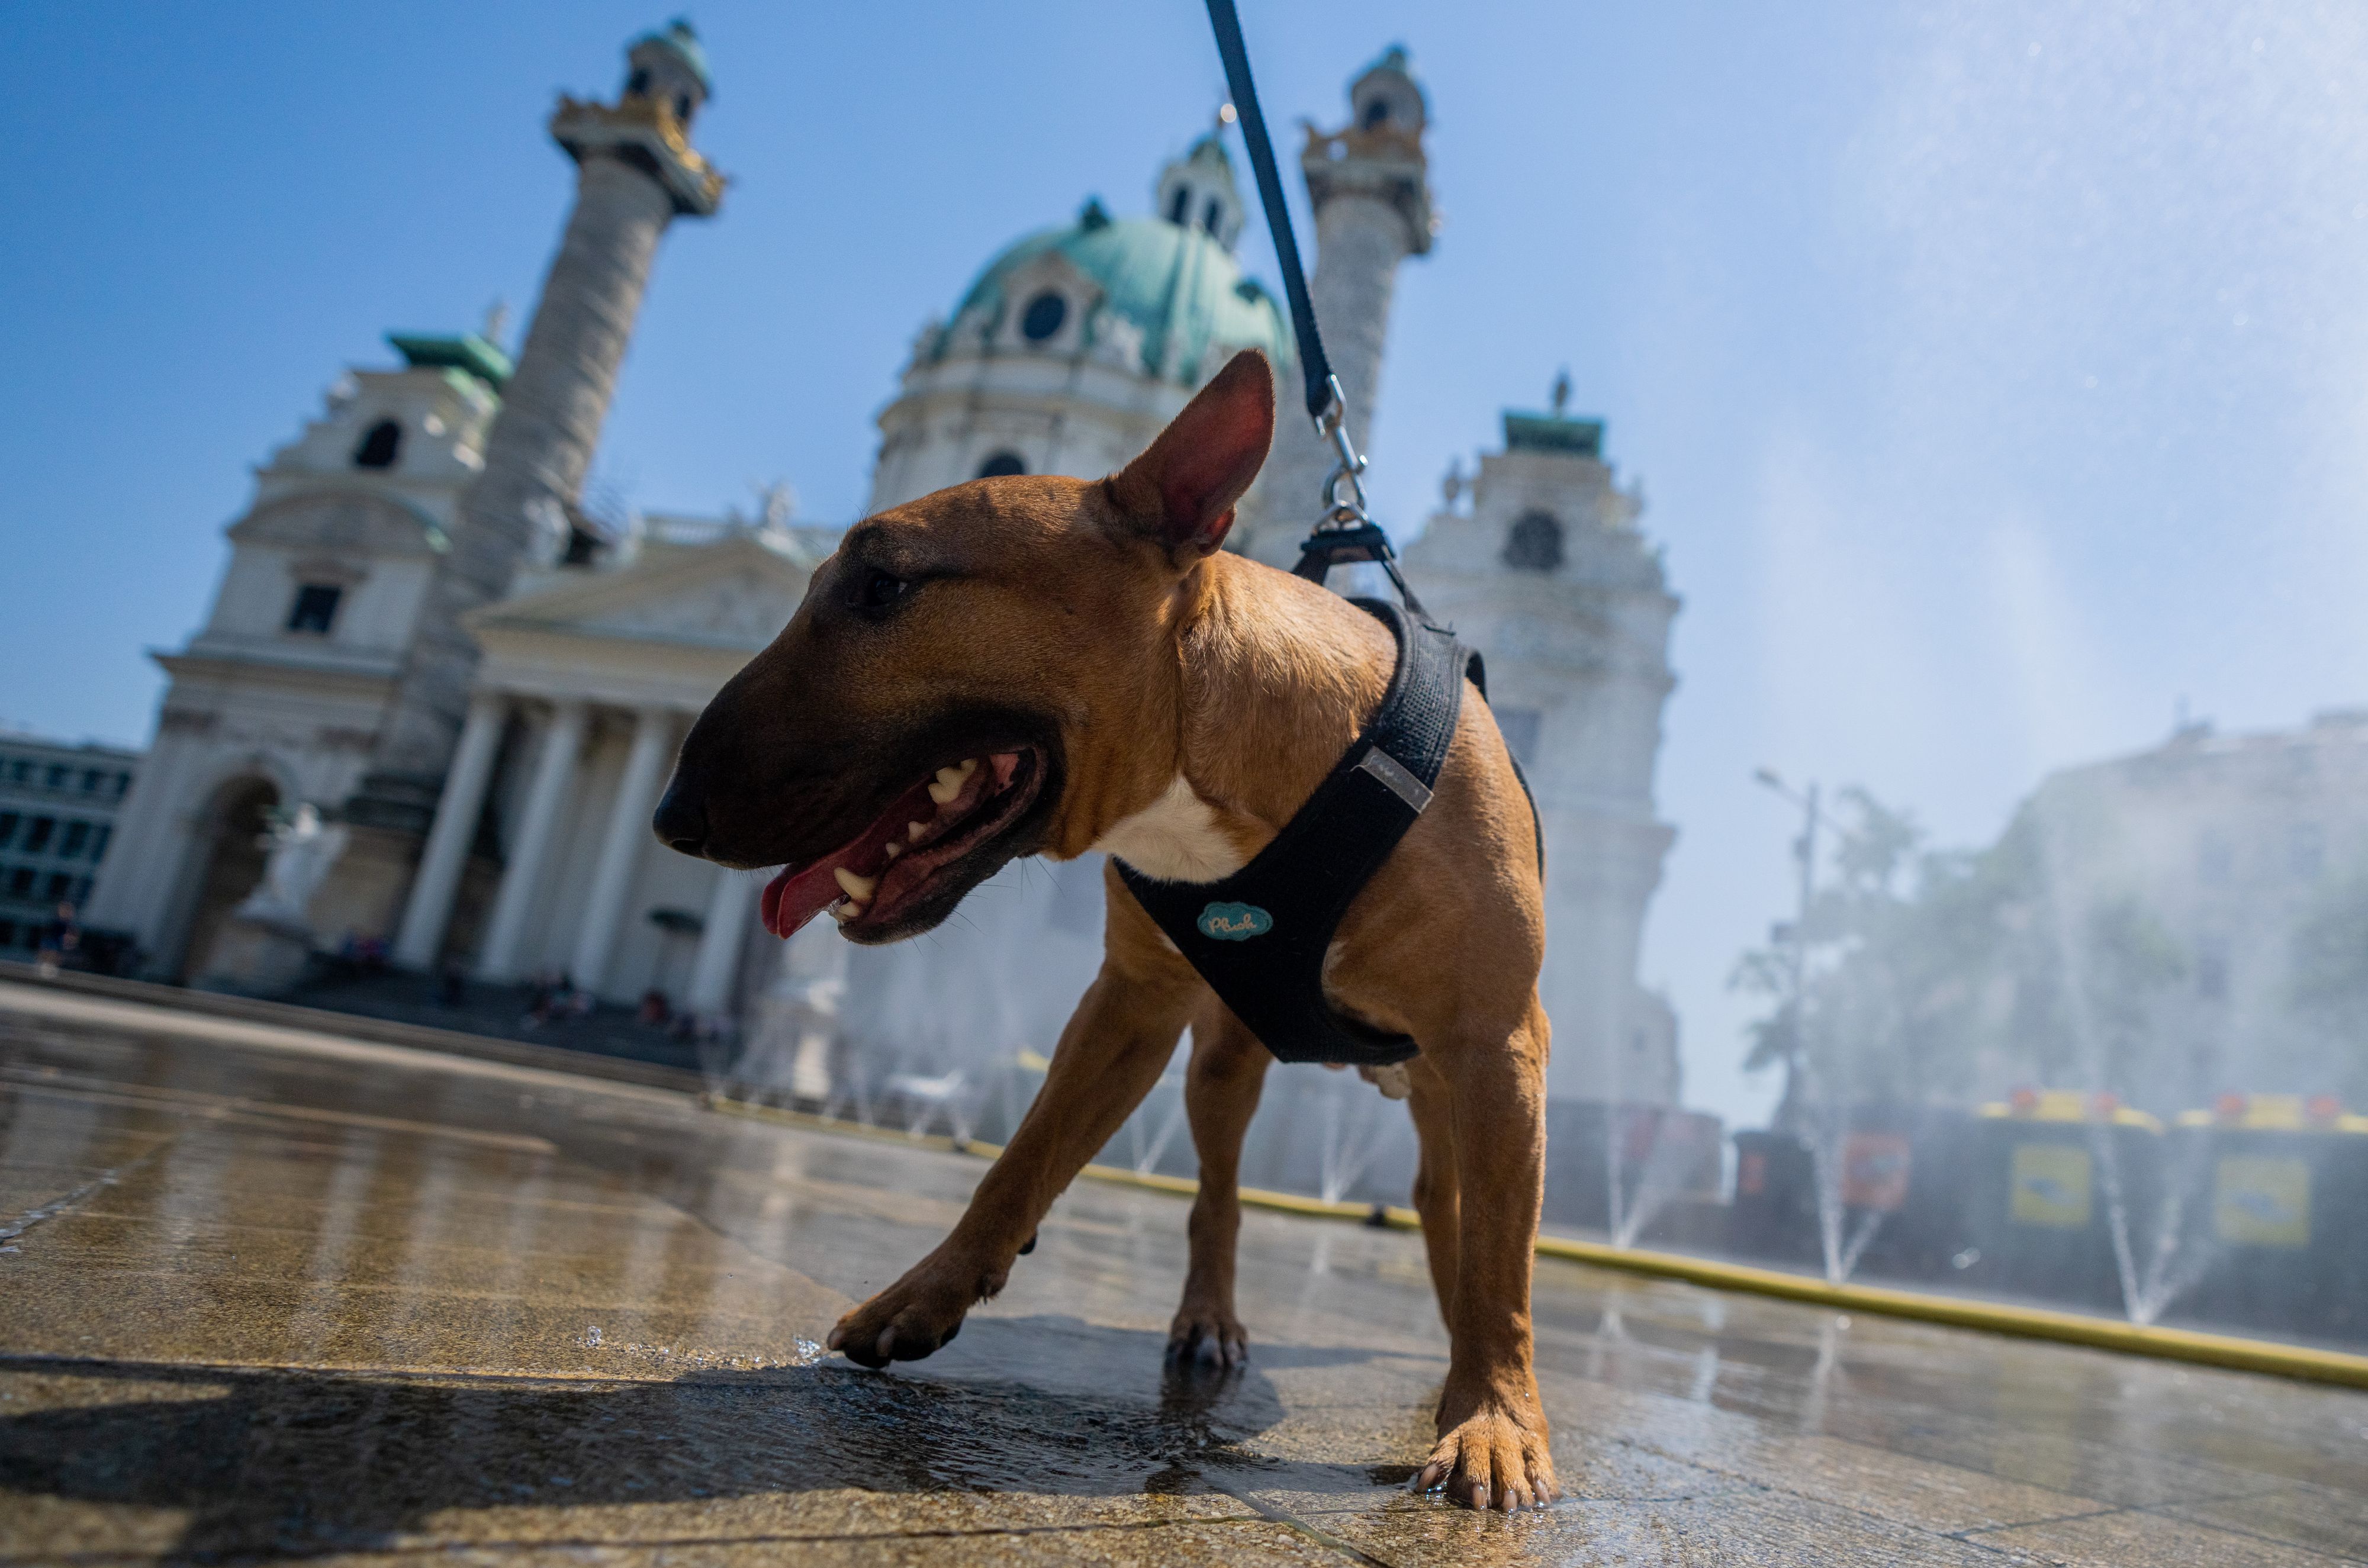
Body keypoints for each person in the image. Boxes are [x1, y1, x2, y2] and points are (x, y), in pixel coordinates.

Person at [35, 902, 78, 980]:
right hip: (51, 941)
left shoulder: (67, 924)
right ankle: (42, 969)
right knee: (47, 954)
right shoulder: (55, 921)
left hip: (57, 942)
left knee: (54, 955)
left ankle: (49, 971)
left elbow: (70, 936)